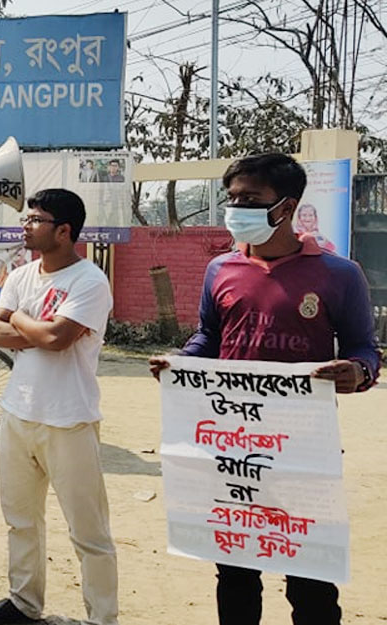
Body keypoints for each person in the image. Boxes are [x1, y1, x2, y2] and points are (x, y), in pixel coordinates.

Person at [150, 152, 380, 625]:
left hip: (304, 447)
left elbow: (364, 349)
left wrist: (358, 371)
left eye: (250, 199)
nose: (236, 208)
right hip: (232, 441)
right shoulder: (221, 270)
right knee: (235, 571)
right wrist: (181, 364)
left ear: (286, 207)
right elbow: (209, 337)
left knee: (311, 577)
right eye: (232, 198)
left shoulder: (340, 274)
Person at [0, 189, 118, 625]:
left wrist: (19, 319)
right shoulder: (21, 275)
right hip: (19, 412)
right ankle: (23, 603)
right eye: (27, 218)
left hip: (69, 417)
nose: (26, 226)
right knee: (20, 518)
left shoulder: (89, 281)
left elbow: (57, 340)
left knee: (88, 530)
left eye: (36, 220)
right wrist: (35, 327)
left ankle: (102, 618)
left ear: (64, 230)